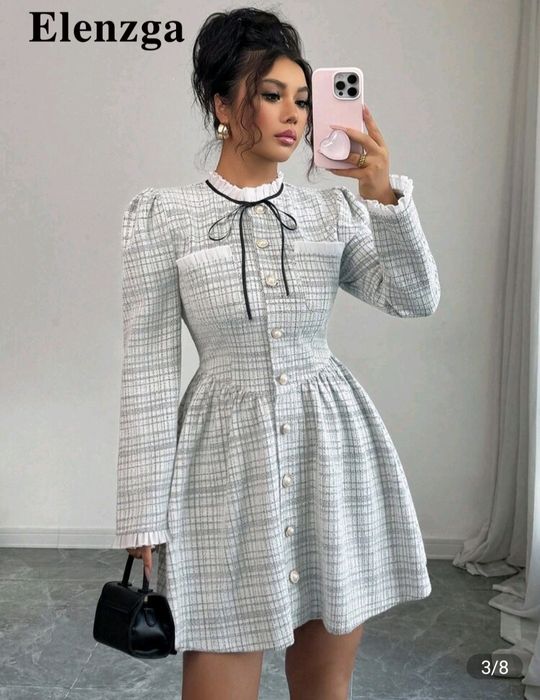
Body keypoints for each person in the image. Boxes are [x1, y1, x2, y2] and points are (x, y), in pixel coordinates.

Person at [113, 7, 440, 700]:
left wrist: (382, 196)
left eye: (302, 99)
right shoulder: (163, 216)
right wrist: (142, 511)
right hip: (221, 465)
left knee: (325, 688)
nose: (293, 115)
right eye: (271, 95)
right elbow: (148, 369)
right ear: (222, 105)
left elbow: (414, 298)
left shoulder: (332, 211)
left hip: (330, 453)